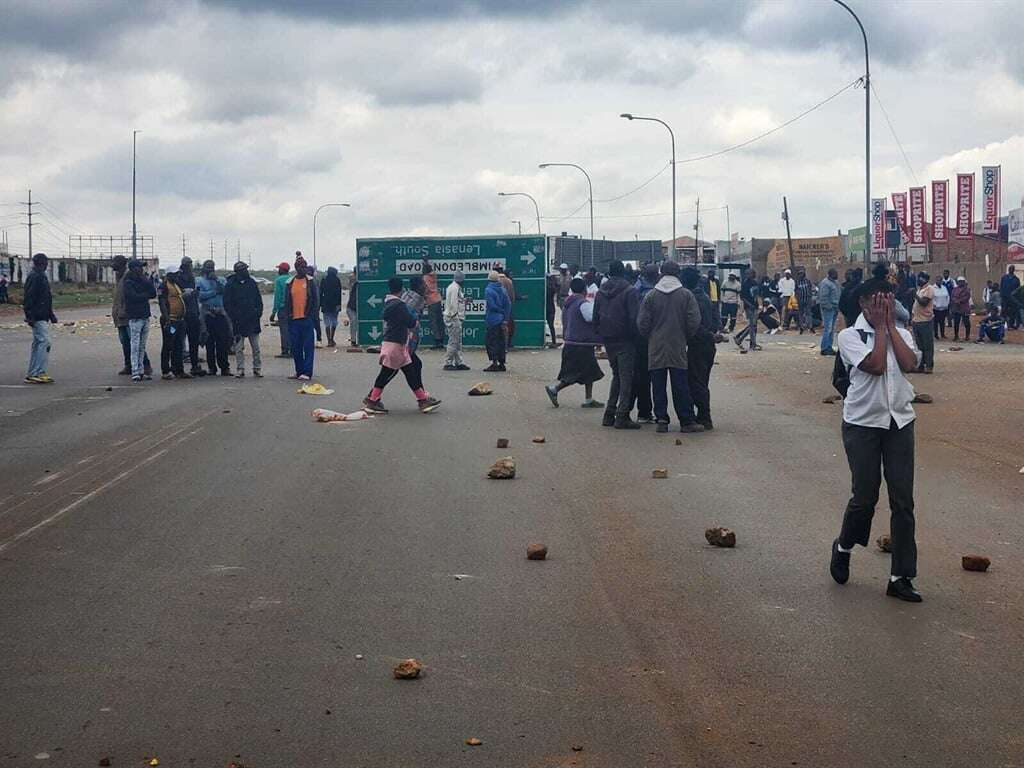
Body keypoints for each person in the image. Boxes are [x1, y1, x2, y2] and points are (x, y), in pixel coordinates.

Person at [829, 277, 923, 603]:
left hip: (900, 422)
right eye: (877, 302)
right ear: (863, 304)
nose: (884, 308)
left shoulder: (905, 333)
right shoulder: (849, 336)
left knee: (903, 500)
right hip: (862, 425)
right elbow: (876, 365)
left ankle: (900, 576)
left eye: (888, 301)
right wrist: (881, 329)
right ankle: (843, 545)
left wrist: (891, 328)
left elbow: (911, 363)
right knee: (865, 496)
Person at [636, 260, 704, 434]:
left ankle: (661, 419)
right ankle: (686, 421)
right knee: (680, 384)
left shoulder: (651, 295)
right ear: (677, 273)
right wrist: (684, 336)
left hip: (656, 346)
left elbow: (642, 323)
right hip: (678, 344)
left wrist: (651, 336)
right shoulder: (686, 295)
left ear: (661, 273)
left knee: (658, 385)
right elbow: (694, 321)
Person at [362, 277, 441, 414]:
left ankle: (422, 400)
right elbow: (410, 322)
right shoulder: (400, 305)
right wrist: (414, 323)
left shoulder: (390, 303)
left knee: (411, 372)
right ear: (402, 288)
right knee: (387, 374)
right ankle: (372, 399)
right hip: (396, 345)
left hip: (397, 344)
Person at [545, 277, 605, 409]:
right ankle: (554, 389)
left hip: (572, 342)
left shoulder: (568, 303)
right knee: (574, 373)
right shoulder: (583, 303)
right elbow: (590, 318)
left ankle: (589, 399)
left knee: (591, 372)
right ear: (584, 289)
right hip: (581, 344)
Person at [594, 260, 640, 430]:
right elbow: (633, 319)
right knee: (626, 377)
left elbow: (595, 317)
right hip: (625, 339)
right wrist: (636, 337)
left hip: (608, 338)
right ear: (623, 273)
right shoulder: (630, 291)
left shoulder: (600, 292)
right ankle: (622, 416)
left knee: (617, 376)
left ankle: (609, 414)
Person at [681, 266, 720, 431]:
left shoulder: (692, 299)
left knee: (696, 383)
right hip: (707, 344)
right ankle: (702, 415)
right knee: (701, 381)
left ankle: (705, 416)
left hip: (699, 344)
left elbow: (695, 326)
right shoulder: (704, 296)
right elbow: (716, 319)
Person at [111, 254, 152, 377]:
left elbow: (129, 296)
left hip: (128, 314)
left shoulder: (128, 277)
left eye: (116, 264)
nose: (113, 266)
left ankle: (144, 365)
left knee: (135, 343)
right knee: (125, 342)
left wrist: (123, 310)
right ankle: (129, 365)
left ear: (122, 265)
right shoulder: (119, 277)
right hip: (120, 315)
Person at [22, 253, 58, 384]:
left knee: (39, 343)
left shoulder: (40, 276)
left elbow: (46, 298)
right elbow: (29, 297)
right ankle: (38, 372)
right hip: (37, 315)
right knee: (44, 342)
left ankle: (34, 372)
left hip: (42, 314)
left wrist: (51, 314)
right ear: (42, 263)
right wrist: (29, 316)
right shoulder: (36, 276)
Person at [629, 263, 659, 423]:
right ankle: (645, 412)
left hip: (638, 336)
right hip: (648, 337)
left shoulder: (636, 287)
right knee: (649, 375)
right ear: (654, 276)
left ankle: (638, 411)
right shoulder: (651, 292)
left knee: (641, 374)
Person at [224, 261, 264, 378]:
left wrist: (258, 313)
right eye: (243, 270)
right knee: (239, 348)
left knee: (256, 347)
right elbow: (227, 303)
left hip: (252, 320)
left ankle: (257, 368)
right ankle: (240, 369)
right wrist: (233, 317)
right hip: (238, 321)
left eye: (246, 269)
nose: (246, 271)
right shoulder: (230, 285)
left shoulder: (251, 283)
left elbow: (258, 300)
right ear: (238, 272)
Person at [282, 254, 318, 380]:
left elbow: (315, 300)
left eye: (304, 266)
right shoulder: (290, 282)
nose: (302, 269)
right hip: (293, 319)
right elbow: (286, 301)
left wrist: (312, 315)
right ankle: (299, 371)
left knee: (308, 347)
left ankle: (307, 372)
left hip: (307, 318)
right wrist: (287, 316)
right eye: (300, 267)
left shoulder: (310, 281)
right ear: (296, 268)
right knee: (295, 347)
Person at [123, 258, 156, 382]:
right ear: (133, 268)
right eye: (139, 267)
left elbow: (153, 293)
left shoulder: (143, 280)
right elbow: (133, 297)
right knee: (135, 345)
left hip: (145, 316)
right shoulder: (128, 282)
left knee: (142, 346)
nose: (141, 269)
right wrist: (144, 294)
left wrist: (145, 283)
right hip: (135, 317)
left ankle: (141, 369)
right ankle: (135, 371)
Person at [197, 260, 231, 376]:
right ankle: (212, 368)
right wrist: (213, 292)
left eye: (212, 267)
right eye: (208, 267)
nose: (210, 269)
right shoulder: (200, 281)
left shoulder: (220, 279)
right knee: (209, 343)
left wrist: (216, 281)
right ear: (204, 268)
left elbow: (226, 291)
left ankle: (225, 367)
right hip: (207, 314)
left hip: (221, 314)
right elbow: (200, 296)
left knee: (223, 342)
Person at [157, 264, 190, 380]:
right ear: (169, 275)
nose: (177, 276)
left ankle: (178, 370)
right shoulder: (164, 286)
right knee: (168, 345)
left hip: (179, 320)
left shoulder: (175, 285)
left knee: (178, 346)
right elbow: (162, 303)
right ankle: (165, 371)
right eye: (175, 274)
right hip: (170, 321)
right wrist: (167, 320)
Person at [176, 256, 205, 377]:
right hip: (182, 315)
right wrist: (189, 294)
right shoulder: (178, 277)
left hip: (193, 313)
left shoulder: (191, 277)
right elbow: (178, 295)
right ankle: (179, 369)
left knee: (194, 341)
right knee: (178, 342)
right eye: (189, 264)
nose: (191, 266)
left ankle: (194, 366)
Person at [483, 270, 511, 372]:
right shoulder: (502, 289)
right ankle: (502, 363)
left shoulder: (488, 290)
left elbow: (492, 305)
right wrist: (505, 318)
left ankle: (494, 363)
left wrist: (499, 310)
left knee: (491, 341)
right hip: (502, 320)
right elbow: (508, 304)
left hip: (492, 319)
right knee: (501, 342)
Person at [442, 271, 470, 371]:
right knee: (454, 341)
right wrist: (455, 316)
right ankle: (448, 362)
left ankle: (459, 362)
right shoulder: (454, 288)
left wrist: (464, 300)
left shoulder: (454, 287)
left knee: (457, 341)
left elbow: (456, 301)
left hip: (454, 316)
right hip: (453, 317)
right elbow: (453, 304)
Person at [910, 272, 935, 374]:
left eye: (920, 278)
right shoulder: (920, 289)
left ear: (925, 279)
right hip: (917, 321)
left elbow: (924, 303)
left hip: (926, 321)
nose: (918, 280)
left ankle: (929, 366)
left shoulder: (929, 289)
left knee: (927, 345)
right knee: (919, 346)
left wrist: (915, 295)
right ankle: (921, 365)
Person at [732, 268, 762, 353]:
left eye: (750, 273)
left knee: (753, 326)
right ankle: (752, 344)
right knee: (752, 325)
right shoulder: (745, 283)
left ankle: (739, 338)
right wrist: (749, 304)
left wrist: (758, 304)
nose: (749, 275)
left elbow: (757, 295)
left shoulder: (755, 283)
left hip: (755, 306)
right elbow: (742, 297)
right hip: (748, 307)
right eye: (747, 274)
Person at [422, 260, 445, 349]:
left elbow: (425, 289)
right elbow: (430, 269)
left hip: (431, 301)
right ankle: (441, 340)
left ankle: (437, 341)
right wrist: (426, 262)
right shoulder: (434, 275)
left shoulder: (425, 278)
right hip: (438, 299)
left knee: (434, 322)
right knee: (440, 321)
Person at [270, 262, 291, 357]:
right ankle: (293, 349)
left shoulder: (278, 280)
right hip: (292, 308)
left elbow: (277, 297)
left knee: (284, 330)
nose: (278, 270)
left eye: (279, 269)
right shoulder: (292, 279)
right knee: (291, 329)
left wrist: (274, 312)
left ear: (282, 270)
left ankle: (285, 350)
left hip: (282, 308)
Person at [818, 268, 841, 355]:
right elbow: (823, 298)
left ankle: (829, 347)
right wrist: (829, 307)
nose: (837, 275)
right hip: (828, 309)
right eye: (835, 274)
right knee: (828, 328)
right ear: (831, 274)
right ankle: (824, 348)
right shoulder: (825, 283)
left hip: (835, 308)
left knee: (832, 329)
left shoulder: (835, 282)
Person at [319, 266, 342, 348]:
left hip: (325, 303)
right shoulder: (337, 280)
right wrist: (339, 305)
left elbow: (320, 292)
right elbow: (339, 293)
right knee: (334, 321)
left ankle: (329, 340)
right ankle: (332, 339)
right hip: (335, 304)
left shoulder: (324, 280)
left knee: (327, 322)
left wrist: (320, 303)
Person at [495, 265, 517, 348]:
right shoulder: (509, 281)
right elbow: (512, 297)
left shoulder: (494, 282)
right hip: (507, 308)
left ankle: (499, 344)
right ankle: (507, 344)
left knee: (496, 327)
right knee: (508, 326)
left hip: (497, 309)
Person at [949, 276, 972, 341]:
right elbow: (952, 296)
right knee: (956, 323)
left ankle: (967, 336)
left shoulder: (967, 289)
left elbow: (967, 297)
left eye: (962, 281)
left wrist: (959, 301)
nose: (960, 283)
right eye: (959, 281)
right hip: (956, 309)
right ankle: (956, 336)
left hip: (964, 308)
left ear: (964, 282)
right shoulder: (954, 289)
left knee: (966, 323)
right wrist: (955, 301)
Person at [794, 268, 814, 333]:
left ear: (804, 274)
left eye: (802, 274)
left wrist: (810, 297)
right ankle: (802, 327)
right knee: (801, 314)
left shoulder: (807, 281)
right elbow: (796, 291)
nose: (800, 275)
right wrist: (797, 299)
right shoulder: (797, 282)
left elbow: (810, 289)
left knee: (808, 313)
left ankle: (810, 326)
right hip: (800, 300)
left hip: (807, 300)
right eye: (799, 274)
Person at [931, 274, 950, 340]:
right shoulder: (932, 288)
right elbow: (932, 298)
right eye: (938, 280)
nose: (939, 281)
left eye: (940, 280)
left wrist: (947, 304)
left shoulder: (944, 287)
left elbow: (947, 296)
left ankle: (942, 334)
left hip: (944, 308)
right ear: (936, 281)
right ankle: (936, 335)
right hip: (936, 309)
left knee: (942, 322)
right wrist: (935, 305)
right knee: (935, 322)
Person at [545, 272, 559, 347]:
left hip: (548, 309)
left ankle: (553, 342)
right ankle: (553, 341)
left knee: (550, 325)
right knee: (551, 326)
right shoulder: (551, 288)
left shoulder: (549, 288)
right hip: (550, 309)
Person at [345, 275, 359, 347]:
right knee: (354, 321)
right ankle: (353, 340)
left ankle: (356, 339)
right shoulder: (356, 285)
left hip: (355, 307)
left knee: (356, 323)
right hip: (351, 308)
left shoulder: (359, 284)